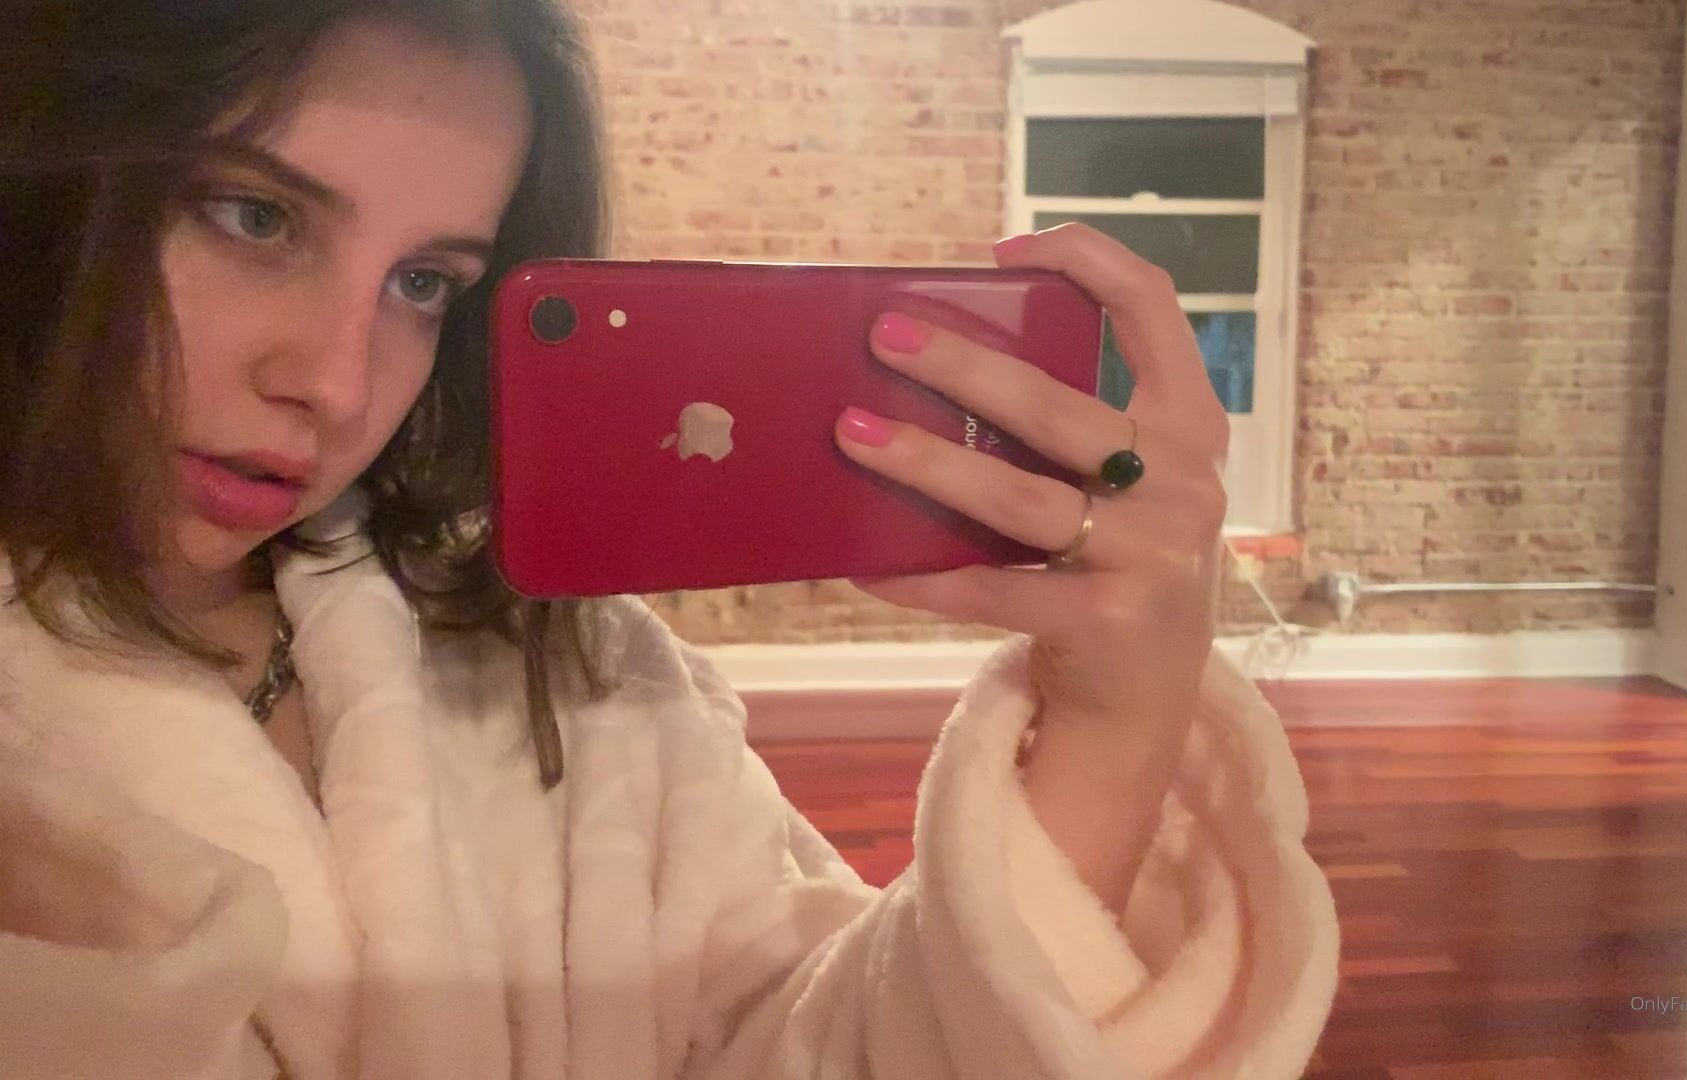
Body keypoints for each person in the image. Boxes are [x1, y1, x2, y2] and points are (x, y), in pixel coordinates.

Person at [0, 1, 1339, 1076]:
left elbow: (821, 1049)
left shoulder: (568, 668)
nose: (338, 385)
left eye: (424, 283)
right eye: (255, 215)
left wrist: (1113, 727)